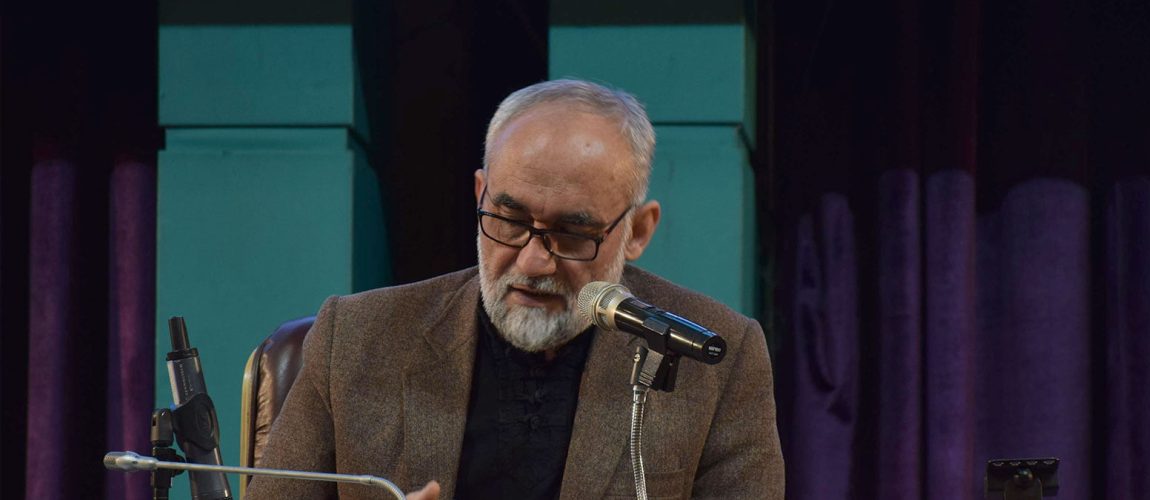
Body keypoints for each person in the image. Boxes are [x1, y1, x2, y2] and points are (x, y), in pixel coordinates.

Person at [245, 79, 784, 499]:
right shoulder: (357, 338)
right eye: (508, 220)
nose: (532, 260)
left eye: (571, 233)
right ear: (481, 193)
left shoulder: (720, 359)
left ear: (638, 231)